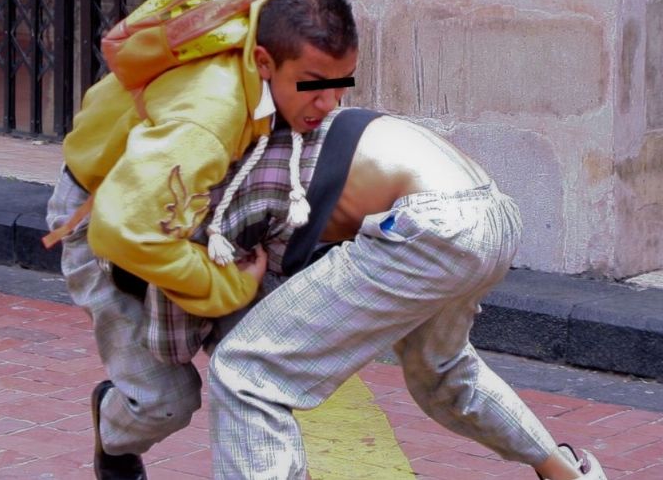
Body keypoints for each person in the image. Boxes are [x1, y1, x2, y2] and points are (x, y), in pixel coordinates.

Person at [44, 0, 358, 478]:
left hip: (192, 204)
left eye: (341, 83)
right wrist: (229, 287)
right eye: (315, 87)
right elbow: (123, 231)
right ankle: (115, 430)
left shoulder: (276, 37)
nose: (330, 104)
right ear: (263, 61)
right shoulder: (208, 113)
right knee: (165, 400)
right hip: (107, 215)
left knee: (259, 368)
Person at [189, 107, 607, 479]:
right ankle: (565, 472)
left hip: (428, 224)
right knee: (443, 372)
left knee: (247, 372)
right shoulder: (288, 122)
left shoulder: (242, 170)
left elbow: (242, 294)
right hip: (488, 212)